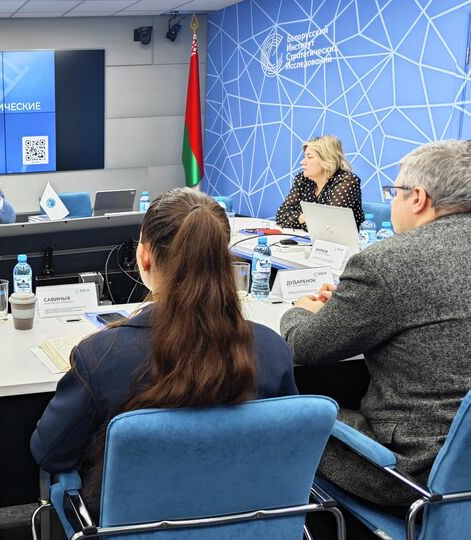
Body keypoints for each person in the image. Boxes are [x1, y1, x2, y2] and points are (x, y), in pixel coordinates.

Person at [30, 188, 297, 513]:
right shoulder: (272, 349)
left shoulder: (101, 355)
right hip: (245, 522)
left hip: (135, 528)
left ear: (144, 257)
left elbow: (50, 452)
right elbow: (286, 446)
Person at [281, 139, 471, 508]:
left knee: (283, 415)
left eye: (394, 192)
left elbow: (303, 346)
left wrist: (300, 310)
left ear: (418, 198)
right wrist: (351, 303)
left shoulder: (386, 263)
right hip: (462, 469)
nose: (391, 201)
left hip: (413, 472)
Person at [275, 135, 364, 230]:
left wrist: (302, 218)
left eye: (309, 157)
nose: (302, 162)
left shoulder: (347, 181)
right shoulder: (302, 179)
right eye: (304, 157)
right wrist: (309, 218)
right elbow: (282, 216)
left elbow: (328, 223)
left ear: (327, 159)